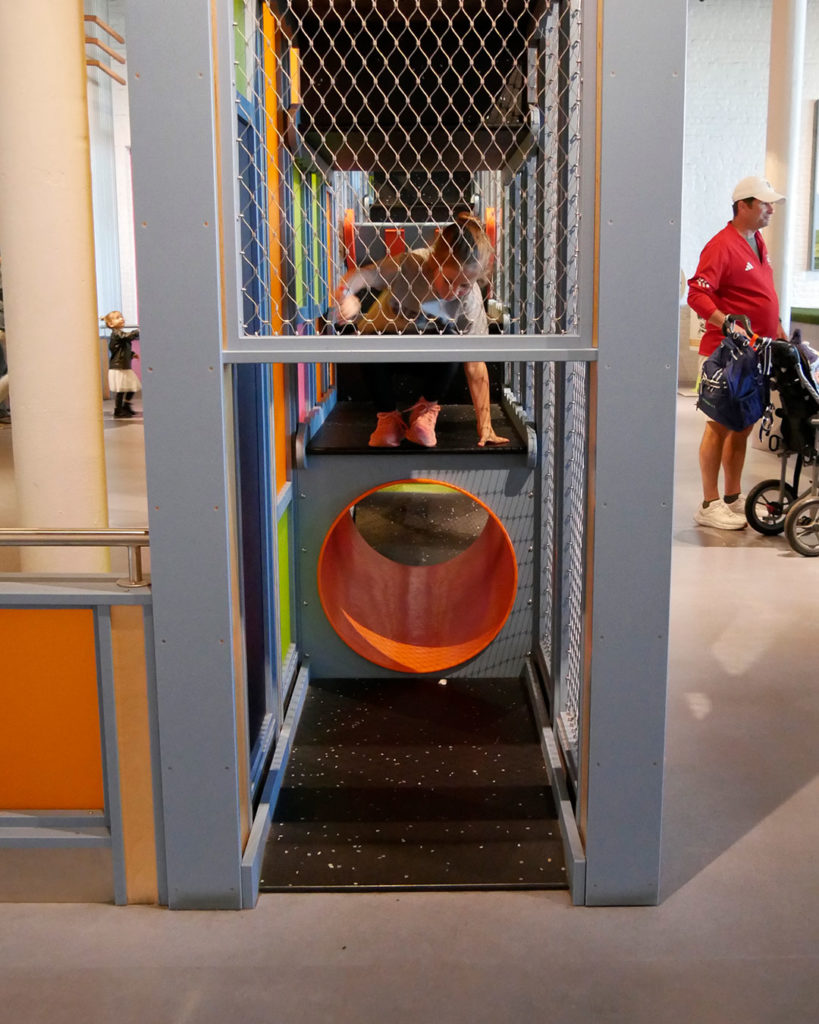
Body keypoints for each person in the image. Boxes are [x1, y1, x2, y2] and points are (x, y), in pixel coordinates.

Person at [334, 212, 509, 448]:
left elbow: (475, 362)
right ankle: (388, 418)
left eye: (464, 285)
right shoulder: (411, 264)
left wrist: (485, 425)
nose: (454, 291)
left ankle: (424, 412)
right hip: (385, 347)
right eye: (448, 281)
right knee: (367, 340)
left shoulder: (470, 301)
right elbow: (365, 274)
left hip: (430, 357)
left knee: (455, 342)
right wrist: (346, 296)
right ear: (434, 263)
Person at [687, 175, 789, 530]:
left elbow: (759, 291)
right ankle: (709, 503)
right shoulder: (721, 245)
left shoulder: (757, 241)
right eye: (764, 203)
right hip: (725, 353)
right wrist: (727, 321)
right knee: (718, 425)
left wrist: (776, 325)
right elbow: (697, 293)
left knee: (743, 425)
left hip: (756, 352)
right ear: (743, 206)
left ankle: (732, 497)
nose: (771, 209)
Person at [103, 310, 141, 418]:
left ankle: (126, 405)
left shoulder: (120, 334)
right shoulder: (116, 333)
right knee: (121, 390)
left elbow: (123, 348)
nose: (121, 319)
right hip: (118, 367)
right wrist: (137, 331)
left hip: (124, 366)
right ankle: (118, 410)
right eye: (118, 317)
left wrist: (132, 354)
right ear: (111, 324)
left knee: (132, 386)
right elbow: (126, 337)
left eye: (121, 316)